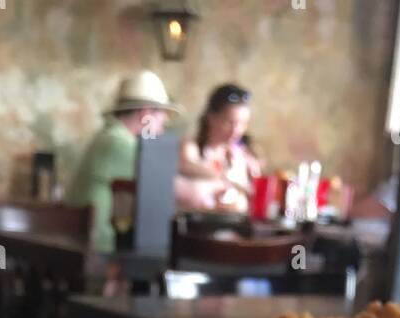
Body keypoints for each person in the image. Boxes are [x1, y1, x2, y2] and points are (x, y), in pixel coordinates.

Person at [67, 70, 180, 254]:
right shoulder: (119, 142)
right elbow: (167, 187)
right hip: (98, 250)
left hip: (87, 244)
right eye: (162, 113)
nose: (165, 120)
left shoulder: (110, 136)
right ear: (146, 114)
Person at [177, 83, 261, 214]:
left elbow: (245, 200)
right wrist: (225, 179)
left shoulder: (238, 158)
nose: (236, 130)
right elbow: (185, 167)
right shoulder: (191, 147)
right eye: (230, 122)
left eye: (242, 124)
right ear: (211, 118)